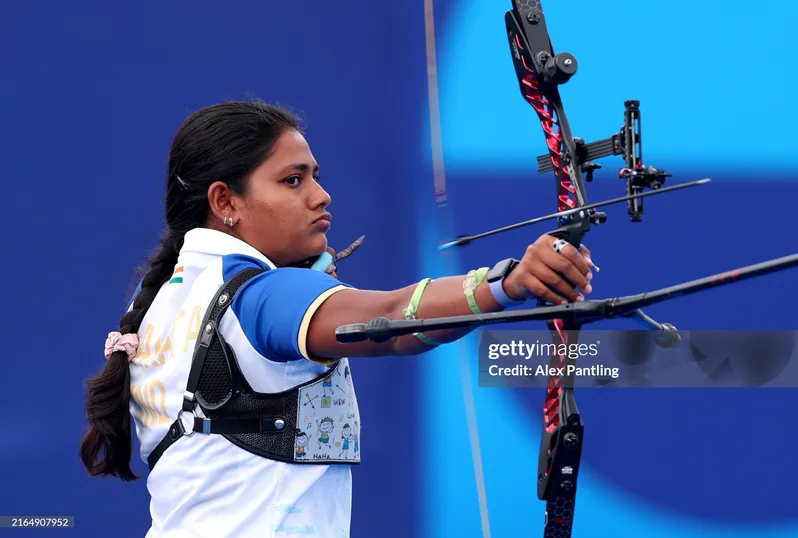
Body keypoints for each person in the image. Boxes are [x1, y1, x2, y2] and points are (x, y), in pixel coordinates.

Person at [80, 100, 595, 538]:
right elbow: (391, 321)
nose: (320, 196)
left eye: (315, 177)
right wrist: (508, 284)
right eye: (292, 180)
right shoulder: (258, 296)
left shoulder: (158, 305)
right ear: (225, 201)